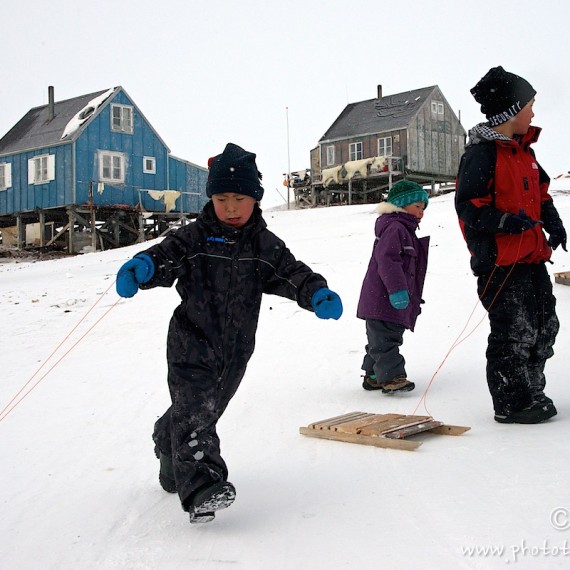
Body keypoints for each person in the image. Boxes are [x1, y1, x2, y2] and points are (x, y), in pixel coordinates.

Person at [115, 143, 343, 523]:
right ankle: (203, 485)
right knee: (197, 412)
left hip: (236, 349)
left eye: (239, 198)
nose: (231, 208)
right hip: (191, 341)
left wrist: (315, 292)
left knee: (203, 410)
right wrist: (143, 266)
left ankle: (167, 445)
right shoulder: (195, 237)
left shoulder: (263, 245)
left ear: (255, 199)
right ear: (211, 199)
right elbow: (165, 256)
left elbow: (291, 272)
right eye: (222, 199)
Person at [455, 66, 567, 424]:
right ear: (510, 111)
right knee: (514, 331)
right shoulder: (482, 154)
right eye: (529, 106)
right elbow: (468, 204)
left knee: (543, 325)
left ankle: (533, 390)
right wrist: (503, 222)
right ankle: (511, 402)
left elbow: (542, 194)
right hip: (501, 263)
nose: (533, 114)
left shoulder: (525, 153)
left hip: (533, 258)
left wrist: (554, 224)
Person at [357, 180, 430, 394]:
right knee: (385, 340)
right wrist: (397, 290)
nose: (421, 213)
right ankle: (392, 377)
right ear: (402, 204)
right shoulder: (396, 228)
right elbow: (387, 260)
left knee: (382, 337)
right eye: (417, 206)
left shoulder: (403, 229)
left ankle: (373, 375)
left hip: (388, 298)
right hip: (383, 296)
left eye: (423, 208)